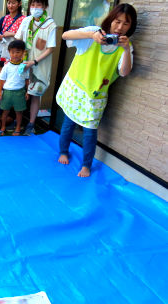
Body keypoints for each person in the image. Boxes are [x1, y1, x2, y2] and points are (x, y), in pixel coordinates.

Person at [56, 4, 136, 178]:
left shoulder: (126, 46)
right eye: (117, 21)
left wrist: (126, 50)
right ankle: (63, 151)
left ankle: (86, 165)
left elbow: (124, 72)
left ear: (131, 26)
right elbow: (65, 35)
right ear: (111, 19)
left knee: (90, 131)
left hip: (95, 96)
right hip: (76, 90)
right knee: (68, 124)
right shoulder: (94, 31)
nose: (120, 27)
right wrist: (91, 35)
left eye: (126, 24)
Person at [14, 0, 56, 135]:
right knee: (20, 91)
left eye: (38, 5)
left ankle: (31, 123)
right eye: (33, 5)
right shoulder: (26, 20)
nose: (35, 8)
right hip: (23, 62)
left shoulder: (50, 24)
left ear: (44, 6)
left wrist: (34, 61)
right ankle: (18, 120)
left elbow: (50, 48)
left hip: (39, 64)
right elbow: (18, 38)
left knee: (35, 94)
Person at [0, 39, 29, 135]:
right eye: (12, 52)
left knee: (19, 112)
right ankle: (3, 127)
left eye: (18, 52)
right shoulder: (6, 66)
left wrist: (27, 92)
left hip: (20, 92)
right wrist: (0, 92)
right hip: (7, 92)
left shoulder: (25, 65)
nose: (15, 54)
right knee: (5, 111)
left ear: (23, 52)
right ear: (9, 52)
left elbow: (27, 80)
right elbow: (2, 80)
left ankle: (18, 128)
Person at [0, 0, 25, 68]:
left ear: (19, 4)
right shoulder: (4, 19)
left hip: (17, 52)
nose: (10, 6)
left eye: (13, 3)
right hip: (3, 51)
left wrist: (11, 34)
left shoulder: (24, 20)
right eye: (9, 3)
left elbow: (25, 37)